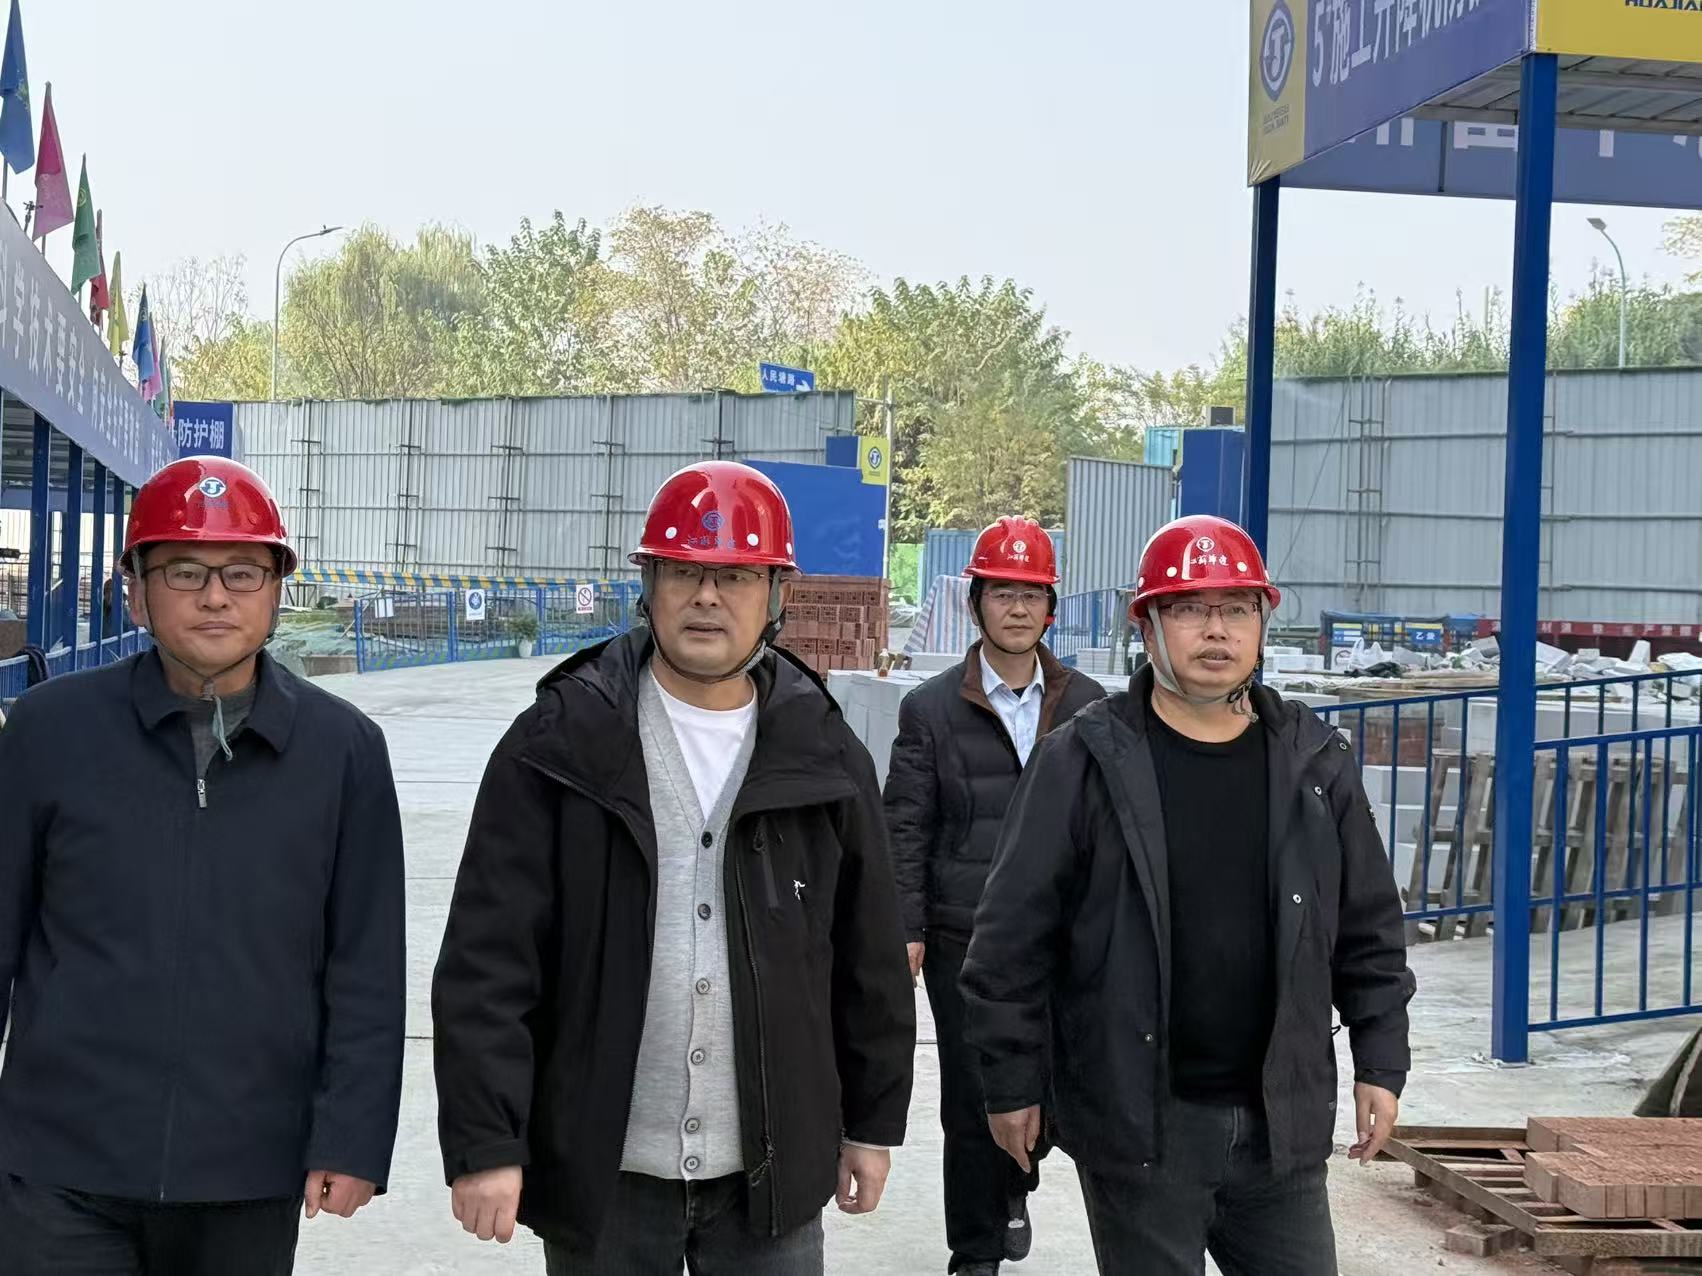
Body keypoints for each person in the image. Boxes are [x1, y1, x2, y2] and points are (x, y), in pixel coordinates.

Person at [432, 459, 915, 1274]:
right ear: (648, 584)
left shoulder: (824, 754)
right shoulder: (561, 744)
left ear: (777, 594)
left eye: (736, 576)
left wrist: (871, 1123)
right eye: (684, 571)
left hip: (770, 1175)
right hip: (606, 1172)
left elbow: (868, 959)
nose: (707, 597)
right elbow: (489, 962)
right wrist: (488, 1141)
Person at [961, 514, 1416, 1276]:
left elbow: (1369, 928)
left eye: (1237, 608)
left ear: (1262, 624)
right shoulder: (1083, 762)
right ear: (1147, 627)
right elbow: (1009, 942)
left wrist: (1381, 1060)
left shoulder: (1312, 764)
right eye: (1189, 609)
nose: (1217, 630)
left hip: (1279, 1129)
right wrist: (1010, 1083)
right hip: (1142, 1129)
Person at [0, 456, 406, 1275]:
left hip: (249, 1167)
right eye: (184, 571)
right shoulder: (50, 730)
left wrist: (353, 1135)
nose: (215, 596)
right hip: (59, 1162)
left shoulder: (343, 752)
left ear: (277, 589)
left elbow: (366, 963)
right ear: (135, 591)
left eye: (243, 572)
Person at [884, 516, 1105, 1276]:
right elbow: (905, 825)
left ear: (1051, 608)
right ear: (976, 603)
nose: (1017, 608)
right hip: (965, 938)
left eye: (1031, 594)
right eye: (1002, 592)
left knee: (1051, 1081)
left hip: (1064, 936)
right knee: (972, 1093)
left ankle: (1015, 1183)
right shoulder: (930, 709)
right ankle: (974, 1251)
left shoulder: (1091, 707)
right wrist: (906, 925)